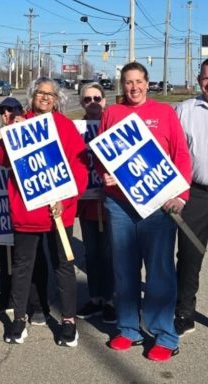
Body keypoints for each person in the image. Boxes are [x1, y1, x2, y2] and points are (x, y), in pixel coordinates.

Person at [98, 62, 192, 362]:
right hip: (119, 204)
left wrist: (181, 196)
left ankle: (165, 334)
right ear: (121, 84)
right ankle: (128, 329)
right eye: (128, 82)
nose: (134, 87)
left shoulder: (164, 113)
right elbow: (100, 154)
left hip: (158, 204)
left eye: (139, 81)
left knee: (159, 271)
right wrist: (104, 174)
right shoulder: (112, 113)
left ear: (148, 83)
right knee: (124, 270)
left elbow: (180, 153)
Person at [0, 78, 88, 346]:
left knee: (63, 265)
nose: (45, 97)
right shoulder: (19, 123)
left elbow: (79, 168)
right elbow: (2, 160)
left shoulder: (65, 126)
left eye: (50, 94)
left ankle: (68, 320)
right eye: (40, 93)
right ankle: (19, 318)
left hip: (60, 211)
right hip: (27, 211)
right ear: (31, 95)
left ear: (57, 99)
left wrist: (66, 197)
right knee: (23, 266)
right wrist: (8, 133)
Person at [0, 97, 50, 326]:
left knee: (32, 257)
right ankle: (7, 297)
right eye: (4, 111)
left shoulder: (31, 133)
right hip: (1, 203)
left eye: (13, 110)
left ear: (21, 112)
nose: (8, 115)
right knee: (5, 255)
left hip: (27, 205)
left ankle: (39, 304)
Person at [75, 83, 115, 324]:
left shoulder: (113, 126)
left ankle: (111, 299)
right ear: (81, 102)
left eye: (97, 98)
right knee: (91, 253)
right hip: (87, 202)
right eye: (87, 98)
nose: (92, 102)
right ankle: (95, 297)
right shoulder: (76, 129)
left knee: (110, 253)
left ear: (104, 101)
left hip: (110, 200)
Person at [174, 58, 208, 337]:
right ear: (199, 80)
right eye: (206, 78)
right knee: (188, 254)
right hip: (196, 193)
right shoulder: (185, 110)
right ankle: (184, 311)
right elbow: (173, 152)